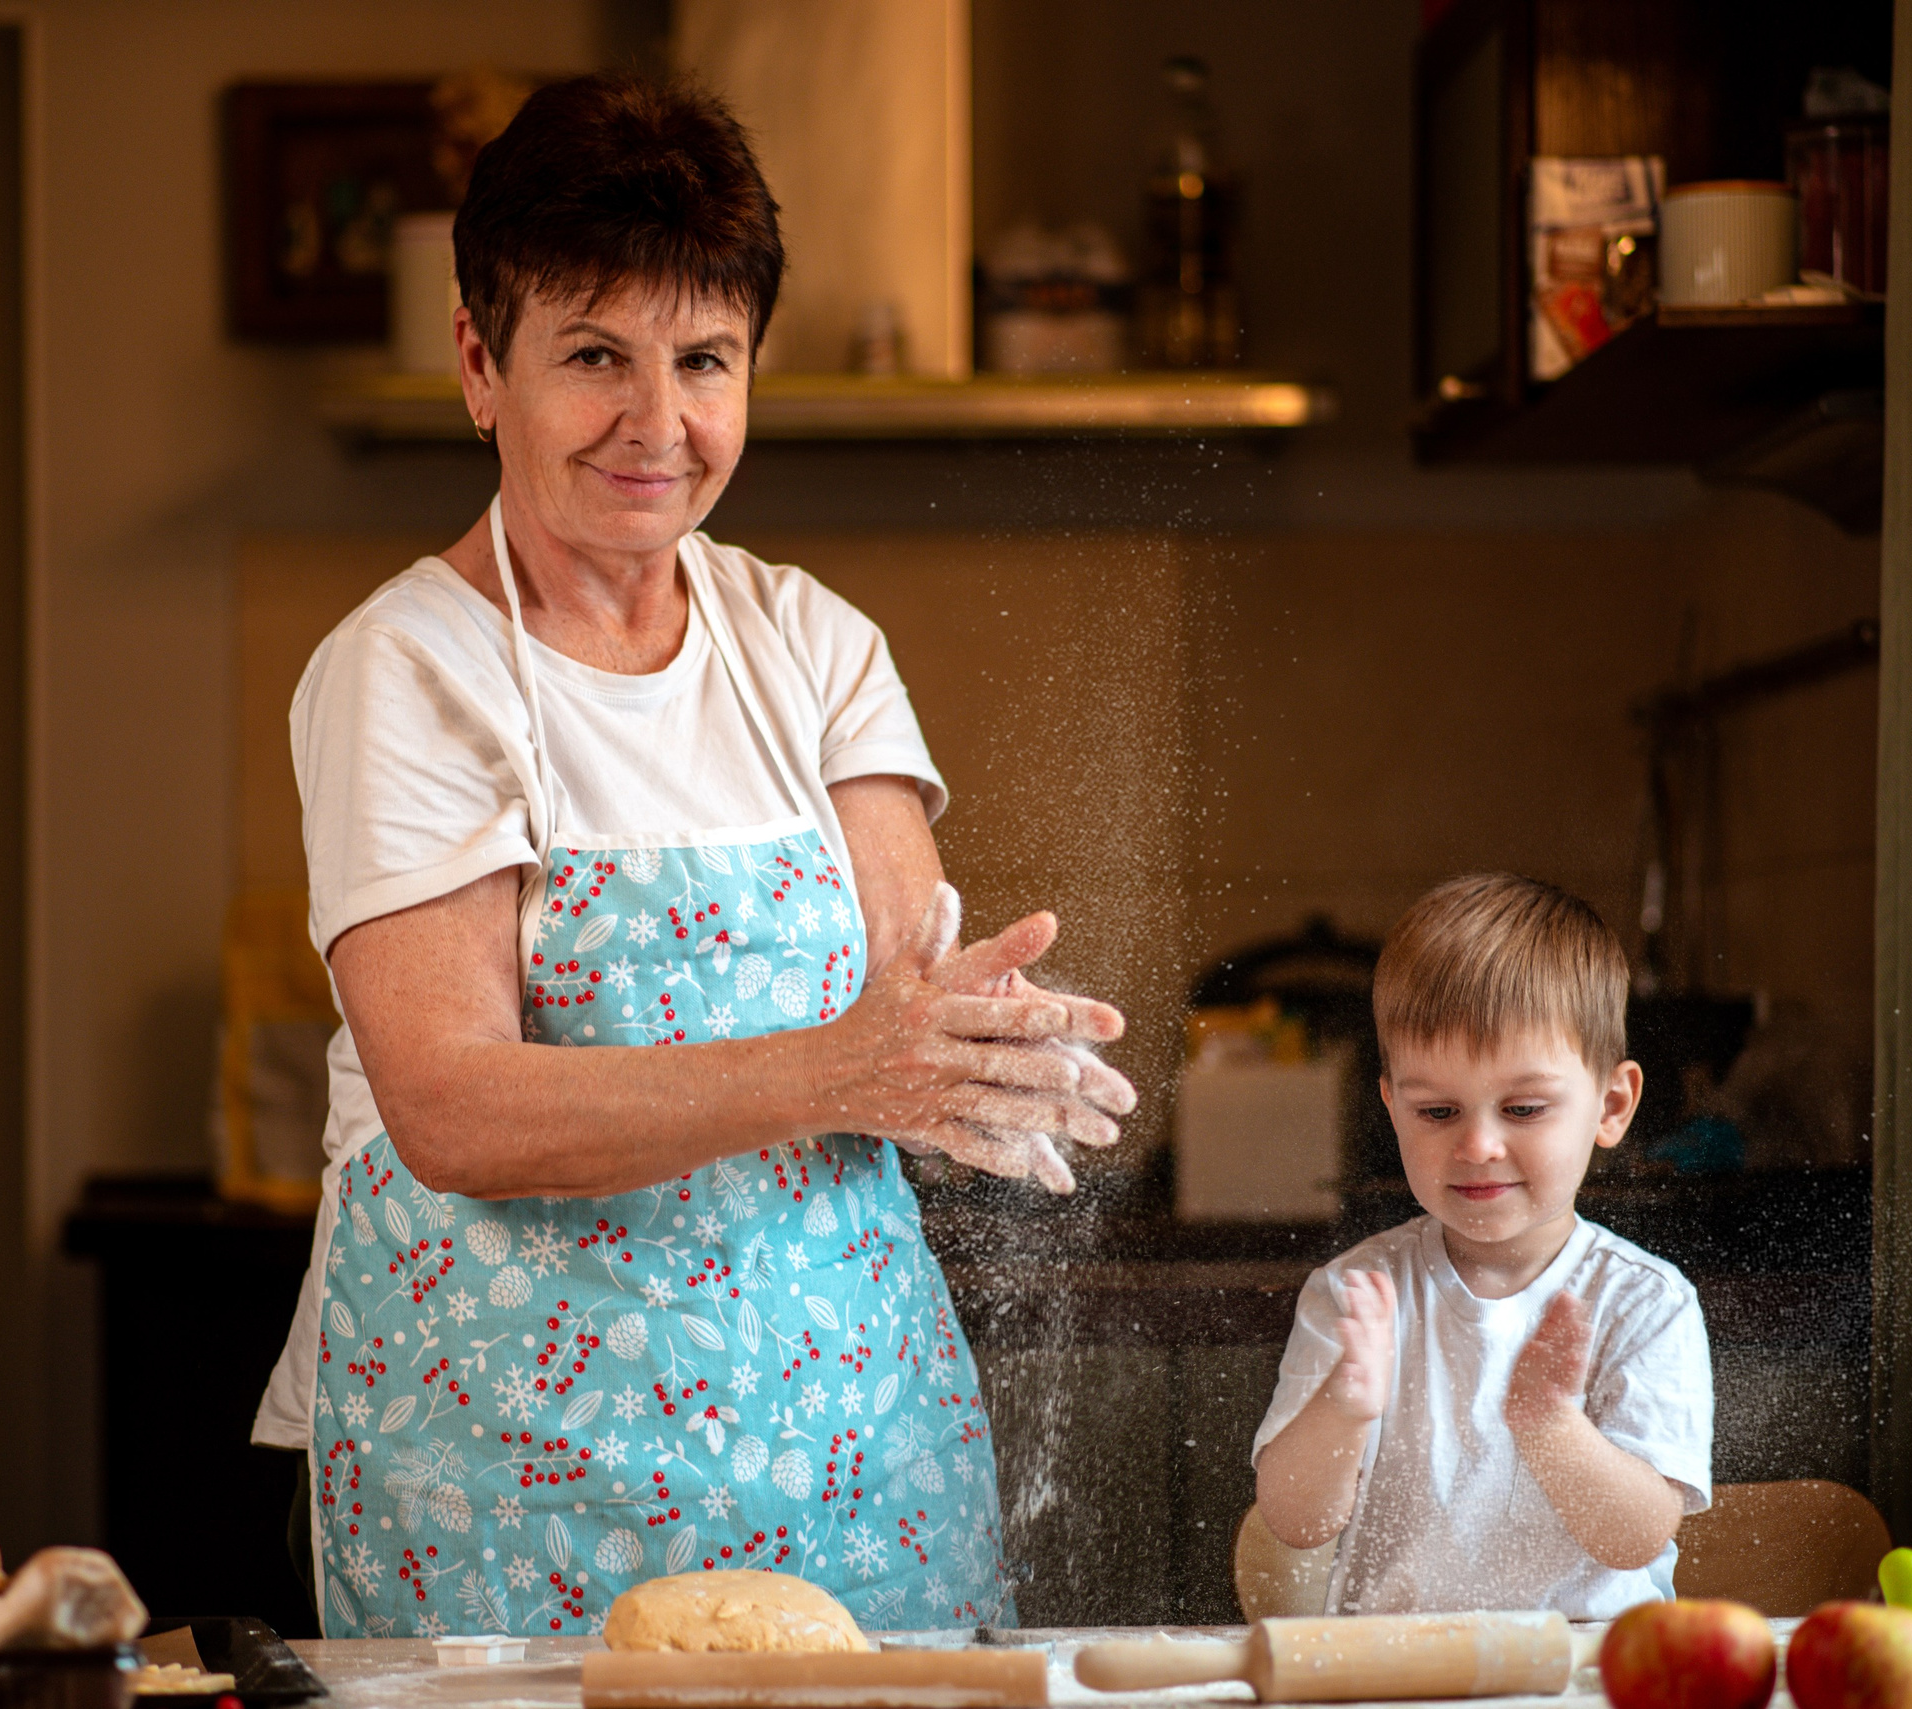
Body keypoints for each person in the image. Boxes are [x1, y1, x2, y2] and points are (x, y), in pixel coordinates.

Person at [246, 71, 1136, 1638]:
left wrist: (995, 1061)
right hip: (509, 1481)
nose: (660, 424)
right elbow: (451, 1102)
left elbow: (902, 1016)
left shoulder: (814, 646)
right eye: (594, 355)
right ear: (479, 360)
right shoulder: (409, 670)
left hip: (856, 1468)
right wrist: (848, 1069)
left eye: (705, 360)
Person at [1250, 874, 1712, 1616]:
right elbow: (1294, 1521)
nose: (1478, 1143)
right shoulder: (1356, 1292)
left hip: (1580, 1677)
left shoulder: (1644, 1300)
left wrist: (1551, 1425)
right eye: (1437, 1110)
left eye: (1524, 1107)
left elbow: (1636, 1535)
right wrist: (1344, 1404)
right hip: (1393, 1680)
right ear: (1392, 1106)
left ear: (1612, 1104)